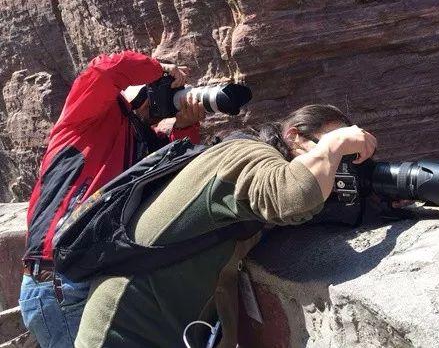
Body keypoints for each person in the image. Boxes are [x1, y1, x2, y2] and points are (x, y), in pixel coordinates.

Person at [74, 104, 377, 348]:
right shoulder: (247, 152)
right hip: (123, 335)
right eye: (329, 151)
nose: (335, 167)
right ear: (294, 135)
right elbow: (294, 196)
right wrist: (334, 145)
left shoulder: (245, 163)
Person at [19, 50, 206, 348]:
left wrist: (186, 127)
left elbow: (175, 177)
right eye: (161, 93)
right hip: (60, 282)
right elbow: (104, 71)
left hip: (101, 274)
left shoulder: (144, 141)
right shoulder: (85, 119)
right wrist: (159, 68)